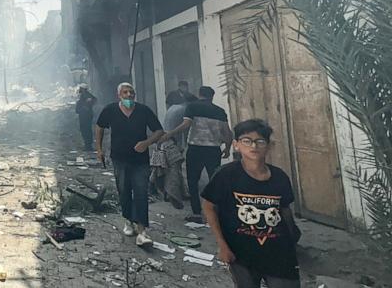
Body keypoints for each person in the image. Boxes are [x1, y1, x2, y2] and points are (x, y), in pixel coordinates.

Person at [202, 119, 301, 287]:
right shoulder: (227, 175)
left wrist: (292, 239)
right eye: (247, 141)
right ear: (236, 145)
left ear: (268, 146)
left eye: (260, 141)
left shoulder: (280, 177)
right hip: (241, 252)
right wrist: (222, 245)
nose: (253, 146)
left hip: (278, 252)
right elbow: (209, 205)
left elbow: (285, 210)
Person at [95, 82, 164, 247]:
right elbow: (99, 127)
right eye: (125, 92)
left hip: (140, 160)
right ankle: (128, 221)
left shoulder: (143, 111)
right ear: (119, 95)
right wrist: (99, 149)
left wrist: (146, 143)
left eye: (131, 92)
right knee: (124, 190)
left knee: (141, 193)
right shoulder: (110, 110)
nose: (129, 95)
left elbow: (159, 131)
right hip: (119, 158)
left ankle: (142, 232)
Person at [164, 85, 233, 221]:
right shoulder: (220, 111)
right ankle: (216, 210)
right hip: (213, 150)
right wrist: (227, 148)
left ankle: (196, 212)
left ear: (199, 94)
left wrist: (170, 134)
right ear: (212, 97)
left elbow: (186, 124)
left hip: (196, 149)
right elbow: (227, 133)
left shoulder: (192, 107)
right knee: (214, 180)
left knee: (192, 180)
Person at [75, 84, 98, 151]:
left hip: (86, 116)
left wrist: (87, 105)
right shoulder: (82, 96)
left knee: (86, 130)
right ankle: (87, 144)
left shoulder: (87, 95)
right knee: (85, 130)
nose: (80, 90)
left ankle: (88, 145)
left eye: (81, 89)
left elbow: (94, 100)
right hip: (83, 116)